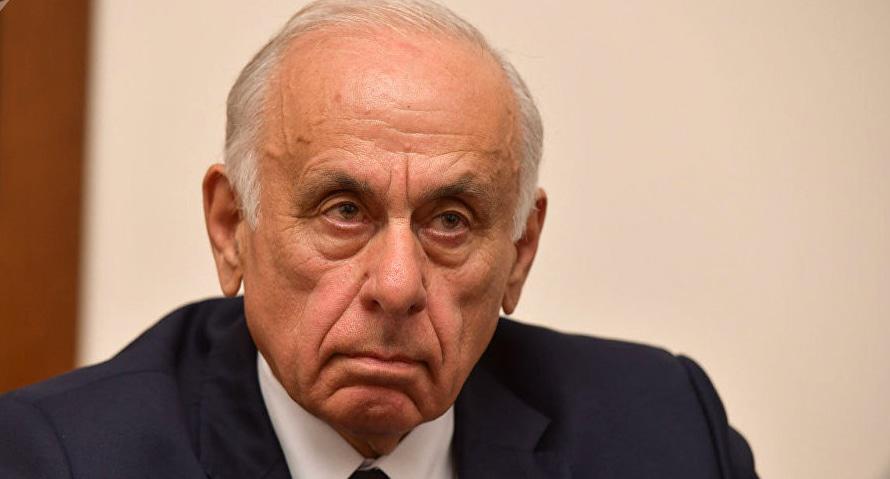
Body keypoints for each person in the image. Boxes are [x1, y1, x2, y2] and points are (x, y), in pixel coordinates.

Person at [0, 1, 757, 477]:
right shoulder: (56, 457)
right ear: (232, 229)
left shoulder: (666, 431)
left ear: (519, 253)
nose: (397, 286)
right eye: (343, 211)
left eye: (451, 221)